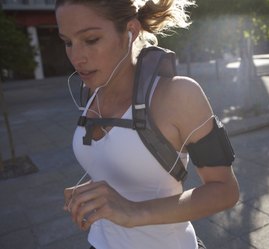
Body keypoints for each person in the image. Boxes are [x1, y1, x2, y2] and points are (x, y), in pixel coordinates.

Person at [55, 0, 240, 248]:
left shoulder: (178, 94)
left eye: (90, 40)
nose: (76, 57)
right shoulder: (91, 94)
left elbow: (225, 190)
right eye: (68, 42)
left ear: (130, 31)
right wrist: (92, 194)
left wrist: (133, 212)